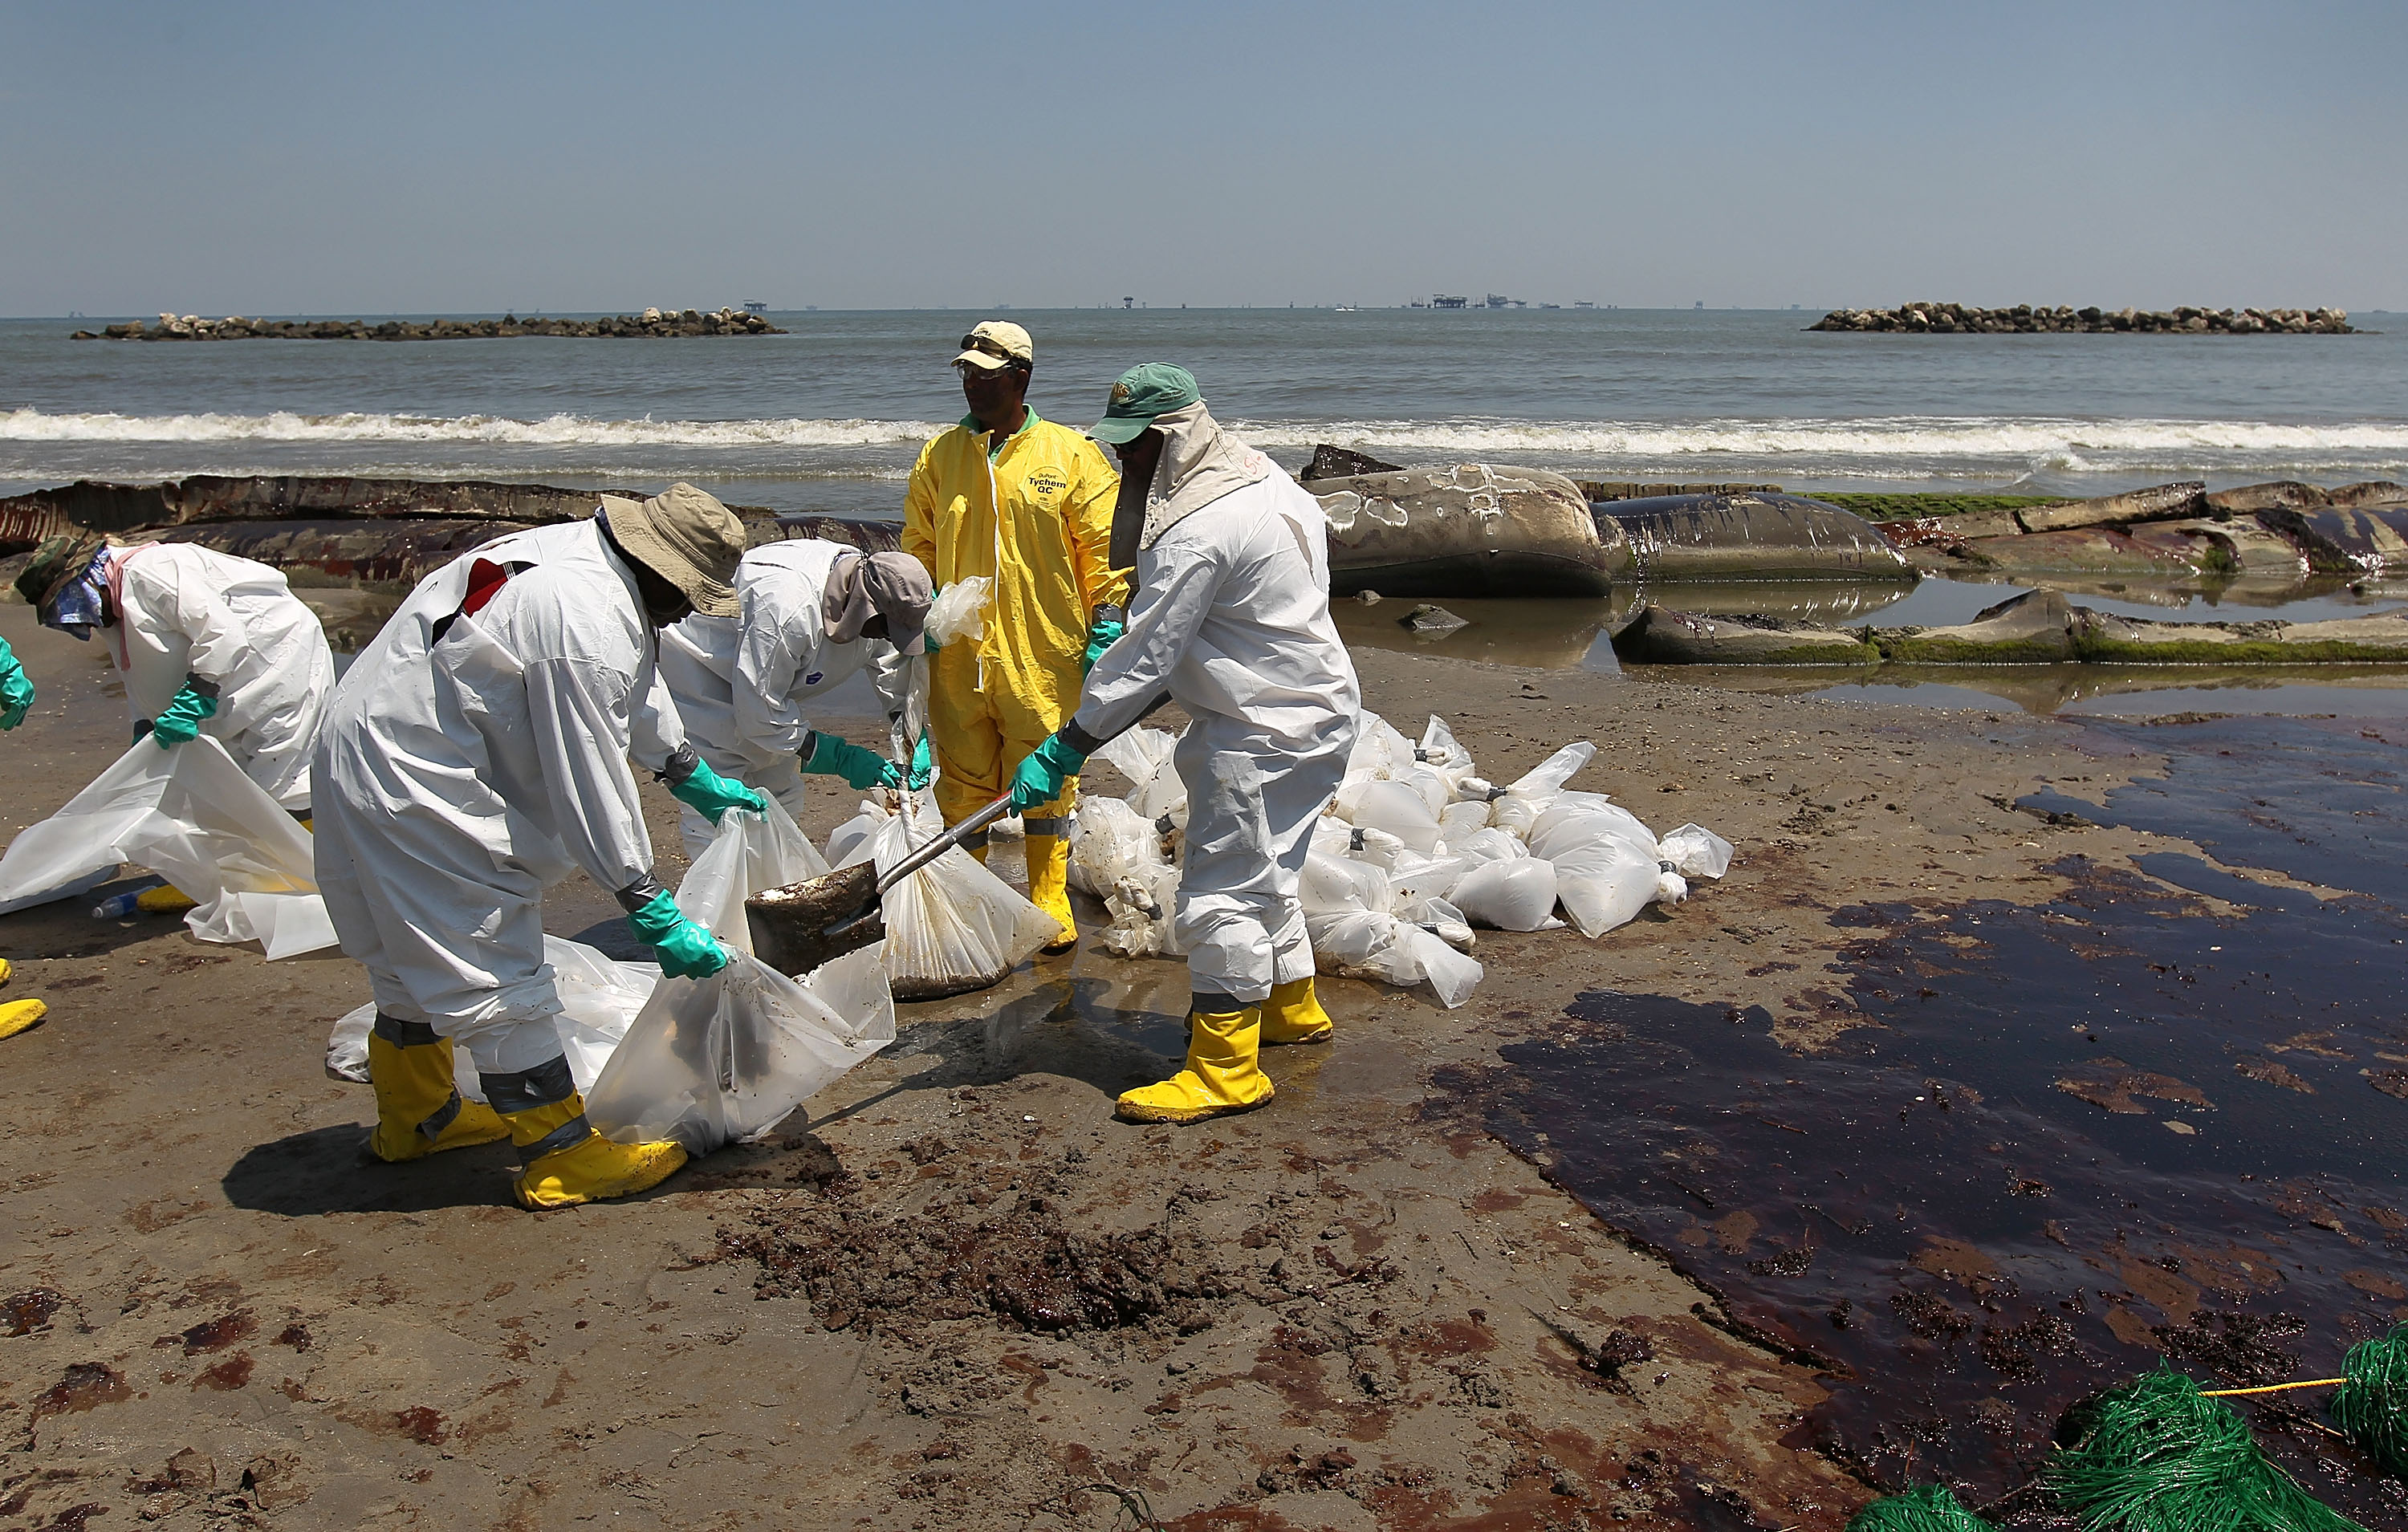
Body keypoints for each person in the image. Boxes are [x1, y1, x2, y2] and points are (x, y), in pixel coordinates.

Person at [313, 483, 767, 1210]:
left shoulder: (583, 558)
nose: (685, 611)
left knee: (407, 952)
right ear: (657, 567)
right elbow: (587, 776)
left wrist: (687, 768)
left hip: (361, 739)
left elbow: (631, 683)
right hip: (421, 778)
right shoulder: (585, 618)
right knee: (493, 961)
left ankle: (417, 1117)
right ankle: (561, 1158)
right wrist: (648, 902)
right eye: (685, 594)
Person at [1007, 365, 1360, 1124]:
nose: (1120, 462)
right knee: (1270, 868)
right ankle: (1291, 1008)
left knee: (1221, 890)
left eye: (1134, 449)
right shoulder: (1266, 481)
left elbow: (1147, 663)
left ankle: (1225, 1070)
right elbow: (1212, 622)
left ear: (1174, 440)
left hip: (1259, 729)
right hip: (1319, 706)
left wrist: (1067, 746)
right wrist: (1143, 637)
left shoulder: (1197, 532)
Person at [903, 321, 1128, 953]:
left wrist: (1106, 622)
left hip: (1043, 652)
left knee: (1047, 777)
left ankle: (1047, 893)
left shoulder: (1070, 455)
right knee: (963, 777)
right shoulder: (940, 456)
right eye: (966, 373)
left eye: (987, 375)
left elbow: (1104, 550)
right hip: (958, 656)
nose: (974, 385)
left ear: (1021, 378)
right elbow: (916, 549)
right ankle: (975, 896)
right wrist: (915, 621)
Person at [17, 535, 336, 811]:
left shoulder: (152, 571)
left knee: (284, 779)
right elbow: (135, 670)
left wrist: (193, 702)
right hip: (231, 685)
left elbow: (222, 634)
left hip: (277, 661)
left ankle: (308, 863)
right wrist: (143, 722)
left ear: (87, 580)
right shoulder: (113, 603)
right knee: (238, 788)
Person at [656, 540, 931, 855]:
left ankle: (771, 889)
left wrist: (907, 728)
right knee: (720, 811)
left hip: (764, 680)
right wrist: (838, 757)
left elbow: (888, 663)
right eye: (886, 628)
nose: (887, 637)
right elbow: (759, 712)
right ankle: (718, 899)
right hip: (703, 673)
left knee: (780, 795)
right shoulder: (787, 608)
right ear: (865, 608)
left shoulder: (874, 593)